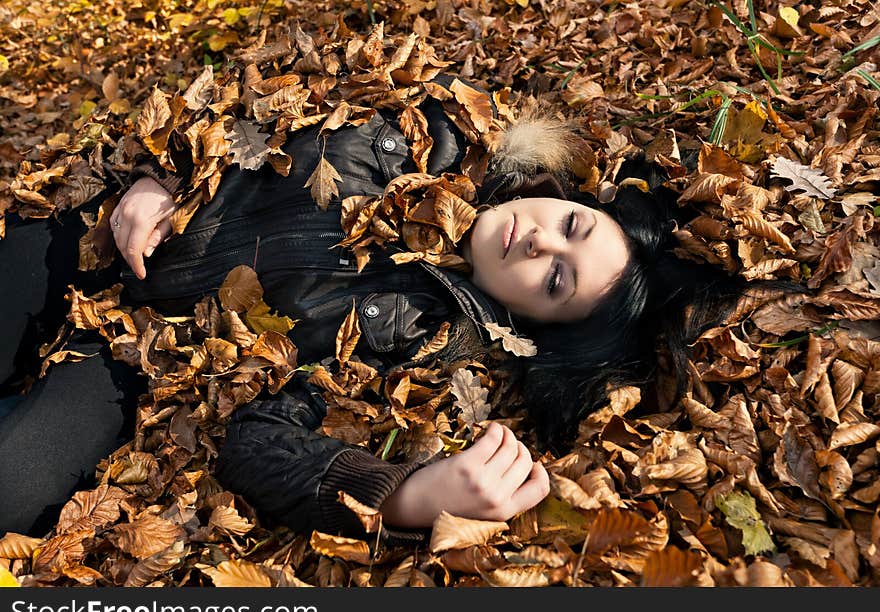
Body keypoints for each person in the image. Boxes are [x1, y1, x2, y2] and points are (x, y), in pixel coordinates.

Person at [0, 72, 762, 543]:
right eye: (570, 227)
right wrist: (160, 177)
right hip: (97, 241)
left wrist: (403, 495)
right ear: (573, 200)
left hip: (134, 362)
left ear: (535, 325)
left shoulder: (425, 349)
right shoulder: (432, 127)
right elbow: (252, 107)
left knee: (13, 483)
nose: (538, 243)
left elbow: (257, 440)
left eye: (557, 281)